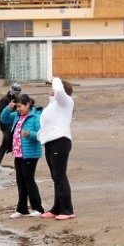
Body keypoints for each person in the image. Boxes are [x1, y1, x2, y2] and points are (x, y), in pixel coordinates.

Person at [0, 94, 45, 219]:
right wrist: (8, 108)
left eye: (20, 106)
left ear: (28, 104)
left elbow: (41, 134)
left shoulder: (36, 117)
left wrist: (29, 134)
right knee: (20, 181)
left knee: (29, 180)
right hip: (18, 153)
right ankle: (22, 209)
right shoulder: (16, 116)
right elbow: (3, 119)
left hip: (30, 154)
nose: (18, 109)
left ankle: (38, 208)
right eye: (17, 106)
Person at [38, 77, 75, 220]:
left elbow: (59, 90)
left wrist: (55, 78)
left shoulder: (66, 102)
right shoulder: (52, 105)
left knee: (60, 176)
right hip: (50, 143)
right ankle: (56, 208)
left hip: (60, 141)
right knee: (55, 177)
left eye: (52, 88)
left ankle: (67, 210)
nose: (51, 90)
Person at [0, 82, 22, 173]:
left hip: (12, 125)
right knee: (8, 145)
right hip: (6, 126)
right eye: (15, 92)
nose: (16, 94)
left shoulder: (16, 99)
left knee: (7, 146)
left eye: (18, 93)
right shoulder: (5, 100)